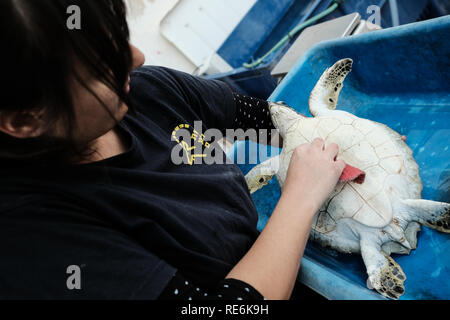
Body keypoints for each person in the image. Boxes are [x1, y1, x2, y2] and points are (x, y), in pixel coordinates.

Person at [0, 0, 345, 300]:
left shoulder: (148, 92)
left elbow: (266, 120)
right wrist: (300, 198)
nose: (136, 58)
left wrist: (346, 138)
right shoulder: (40, 240)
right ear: (25, 120)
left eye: (119, 38)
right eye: (103, 68)